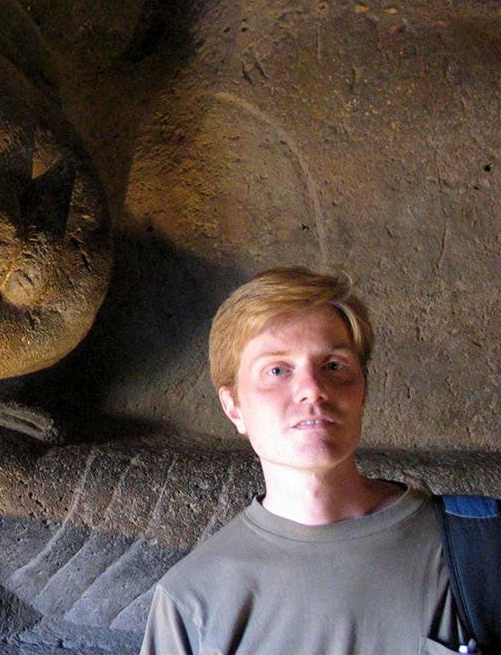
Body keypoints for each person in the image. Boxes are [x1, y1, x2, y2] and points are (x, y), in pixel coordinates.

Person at [140, 266, 472, 654]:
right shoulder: (192, 601)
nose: (313, 390)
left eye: (333, 366)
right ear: (234, 407)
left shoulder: (477, 552)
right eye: (277, 370)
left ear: (362, 389)